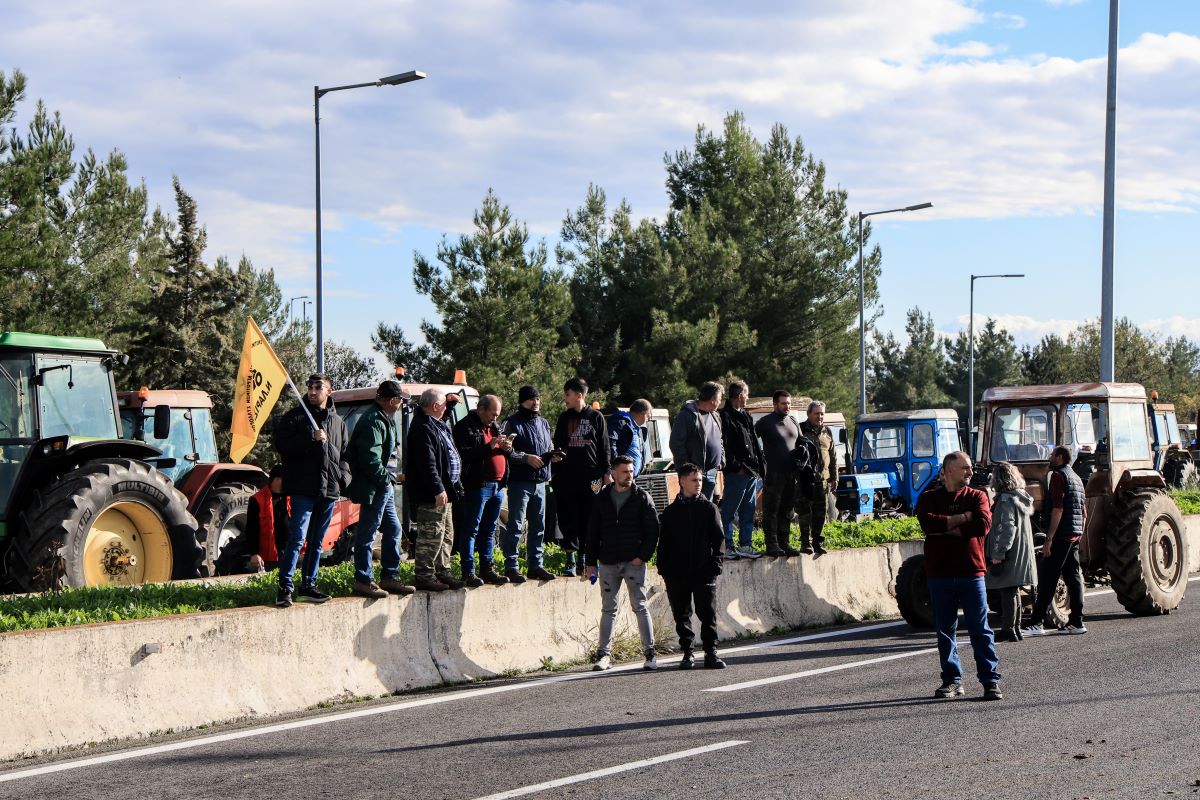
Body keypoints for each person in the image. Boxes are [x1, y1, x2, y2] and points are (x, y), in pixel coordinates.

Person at [916, 451, 1002, 701]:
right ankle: (952, 680)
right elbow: (928, 524)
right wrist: (963, 519)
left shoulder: (978, 496)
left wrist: (948, 527)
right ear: (948, 470)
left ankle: (990, 680)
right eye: (965, 468)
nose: (970, 472)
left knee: (980, 629)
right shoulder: (929, 498)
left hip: (971, 571)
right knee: (945, 630)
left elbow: (983, 525)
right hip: (940, 572)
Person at [272, 373, 349, 608]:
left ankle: (309, 585)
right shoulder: (294, 418)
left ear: (329, 391)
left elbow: (346, 456)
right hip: (303, 489)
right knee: (297, 538)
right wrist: (310, 440)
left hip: (329, 491)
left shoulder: (339, 423)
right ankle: (284, 588)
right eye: (310, 387)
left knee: (317, 542)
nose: (313, 391)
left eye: (318, 387)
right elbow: (282, 447)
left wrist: (343, 479)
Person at [585, 456, 660, 671]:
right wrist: (591, 563)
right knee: (609, 608)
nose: (629, 475)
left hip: (634, 562)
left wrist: (642, 556)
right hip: (608, 562)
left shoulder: (641, 497)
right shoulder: (602, 498)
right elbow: (592, 532)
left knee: (640, 606)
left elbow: (653, 530)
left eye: (631, 471)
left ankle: (650, 653)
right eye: (625, 472)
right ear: (614, 473)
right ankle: (604, 655)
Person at [345, 379, 414, 599]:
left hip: (385, 485)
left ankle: (389, 577)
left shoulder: (384, 418)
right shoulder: (373, 420)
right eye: (401, 400)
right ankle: (363, 580)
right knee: (368, 531)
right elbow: (370, 458)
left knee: (393, 529)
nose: (402, 404)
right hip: (377, 487)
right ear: (393, 400)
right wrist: (385, 480)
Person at [657, 462, 727, 669]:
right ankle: (688, 653)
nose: (698, 484)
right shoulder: (670, 513)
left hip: (704, 572)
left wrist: (716, 564)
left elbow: (719, 540)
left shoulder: (708, 508)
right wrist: (664, 570)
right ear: (682, 481)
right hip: (677, 573)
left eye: (700, 480)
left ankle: (711, 653)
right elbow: (664, 544)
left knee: (708, 614)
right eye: (694, 480)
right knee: (682, 615)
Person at [406, 388, 467, 592]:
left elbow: (442, 416)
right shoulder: (423, 427)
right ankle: (424, 575)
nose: (444, 409)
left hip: (446, 491)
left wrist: (448, 405)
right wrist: (437, 488)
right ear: (434, 406)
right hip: (432, 493)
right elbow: (427, 463)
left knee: (446, 534)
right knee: (431, 534)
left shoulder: (435, 423)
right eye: (442, 405)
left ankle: (443, 571)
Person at [1023, 445, 1087, 636]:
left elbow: (1057, 509)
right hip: (1073, 533)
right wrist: (1079, 533)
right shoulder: (1076, 477)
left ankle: (1036, 623)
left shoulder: (1058, 476)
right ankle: (1077, 621)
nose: (1049, 458)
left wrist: (1049, 538)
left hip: (1062, 533)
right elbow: (1083, 511)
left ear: (1059, 457)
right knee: (1073, 577)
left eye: (1052, 455)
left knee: (1048, 576)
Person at [552, 377, 611, 577]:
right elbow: (558, 444)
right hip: (568, 477)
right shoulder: (564, 418)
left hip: (593, 477)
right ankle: (570, 560)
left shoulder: (596, 417)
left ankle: (585, 560)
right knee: (569, 517)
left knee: (590, 516)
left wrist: (607, 472)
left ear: (579, 395)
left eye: (567, 394)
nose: (565, 398)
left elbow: (604, 447)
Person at [453, 394, 513, 588]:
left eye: (497, 415)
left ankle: (487, 568)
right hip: (478, 485)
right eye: (493, 414)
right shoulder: (465, 427)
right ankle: (468, 571)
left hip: (498, 486)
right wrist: (489, 447)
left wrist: (507, 448)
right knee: (471, 529)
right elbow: (464, 455)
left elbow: (503, 452)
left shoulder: (495, 427)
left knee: (489, 530)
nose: (495, 418)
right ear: (481, 409)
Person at [500, 385, 558, 583]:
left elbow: (548, 446)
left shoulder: (544, 423)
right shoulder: (511, 423)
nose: (536, 403)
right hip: (520, 482)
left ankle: (536, 565)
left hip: (541, 482)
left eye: (538, 399)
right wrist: (526, 458)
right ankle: (512, 566)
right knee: (515, 525)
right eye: (531, 399)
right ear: (522, 401)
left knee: (538, 526)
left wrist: (553, 455)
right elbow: (506, 451)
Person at [986, 461, 1036, 642]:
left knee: (1007, 591)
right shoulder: (1021, 497)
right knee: (1013, 591)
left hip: (1009, 553)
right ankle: (1015, 628)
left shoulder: (1005, 500)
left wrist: (998, 554)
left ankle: (1009, 629)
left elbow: (1006, 528)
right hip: (1020, 551)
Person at [719, 380, 764, 560]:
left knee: (749, 509)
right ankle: (727, 545)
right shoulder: (724, 416)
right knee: (730, 510)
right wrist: (737, 467)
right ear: (739, 395)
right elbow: (725, 445)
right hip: (737, 472)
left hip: (752, 471)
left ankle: (746, 544)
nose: (748, 398)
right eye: (746, 394)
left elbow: (753, 442)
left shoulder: (746, 416)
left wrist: (761, 465)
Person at [215, 465, 287, 576]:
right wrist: (254, 553)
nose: (284, 483)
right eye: (281, 479)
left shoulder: (290, 498)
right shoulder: (257, 500)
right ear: (274, 479)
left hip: (286, 551)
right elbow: (251, 529)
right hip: (267, 553)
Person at [754, 391, 802, 557]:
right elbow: (751, 441)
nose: (787, 406)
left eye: (788, 403)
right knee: (772, 510)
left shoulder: (793, 421)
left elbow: (801, 443)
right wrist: (759, 461)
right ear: (775, 404)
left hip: (792, 474)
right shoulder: (765, 422)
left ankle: (784, 543)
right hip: (774, 474)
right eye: (783, 403)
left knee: (787, 510)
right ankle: (772, 544)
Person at [669, 381, 724, 500]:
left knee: (705, 508)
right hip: (692, 474)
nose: (720, 402)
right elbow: (675, 443)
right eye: (719, 399)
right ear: (713, 399)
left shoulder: (715, 415)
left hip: (711, 471)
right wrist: (687, 467)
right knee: (691, 507)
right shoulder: (686, 415)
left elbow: (719, 440)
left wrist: (721, 459)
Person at [796, 401, 838, 556]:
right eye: (816, 413)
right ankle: (805, 543)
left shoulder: (827, 431)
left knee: (821, 513)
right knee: (805, 512)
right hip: (805, 480)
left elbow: (832, 456)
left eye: (822, 414)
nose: (819, 417)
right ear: (809, 414)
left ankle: (817, 542)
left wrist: (834, 477)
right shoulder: (800, 430)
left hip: (823, 480)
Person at [609, 399, 652, 477]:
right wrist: (616, 466)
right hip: (620, 478)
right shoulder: (621, 422)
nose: (648, 419)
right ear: (642, 414)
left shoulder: (636, 428)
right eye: (648, 416)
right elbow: (611, 444)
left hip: (629, 478)